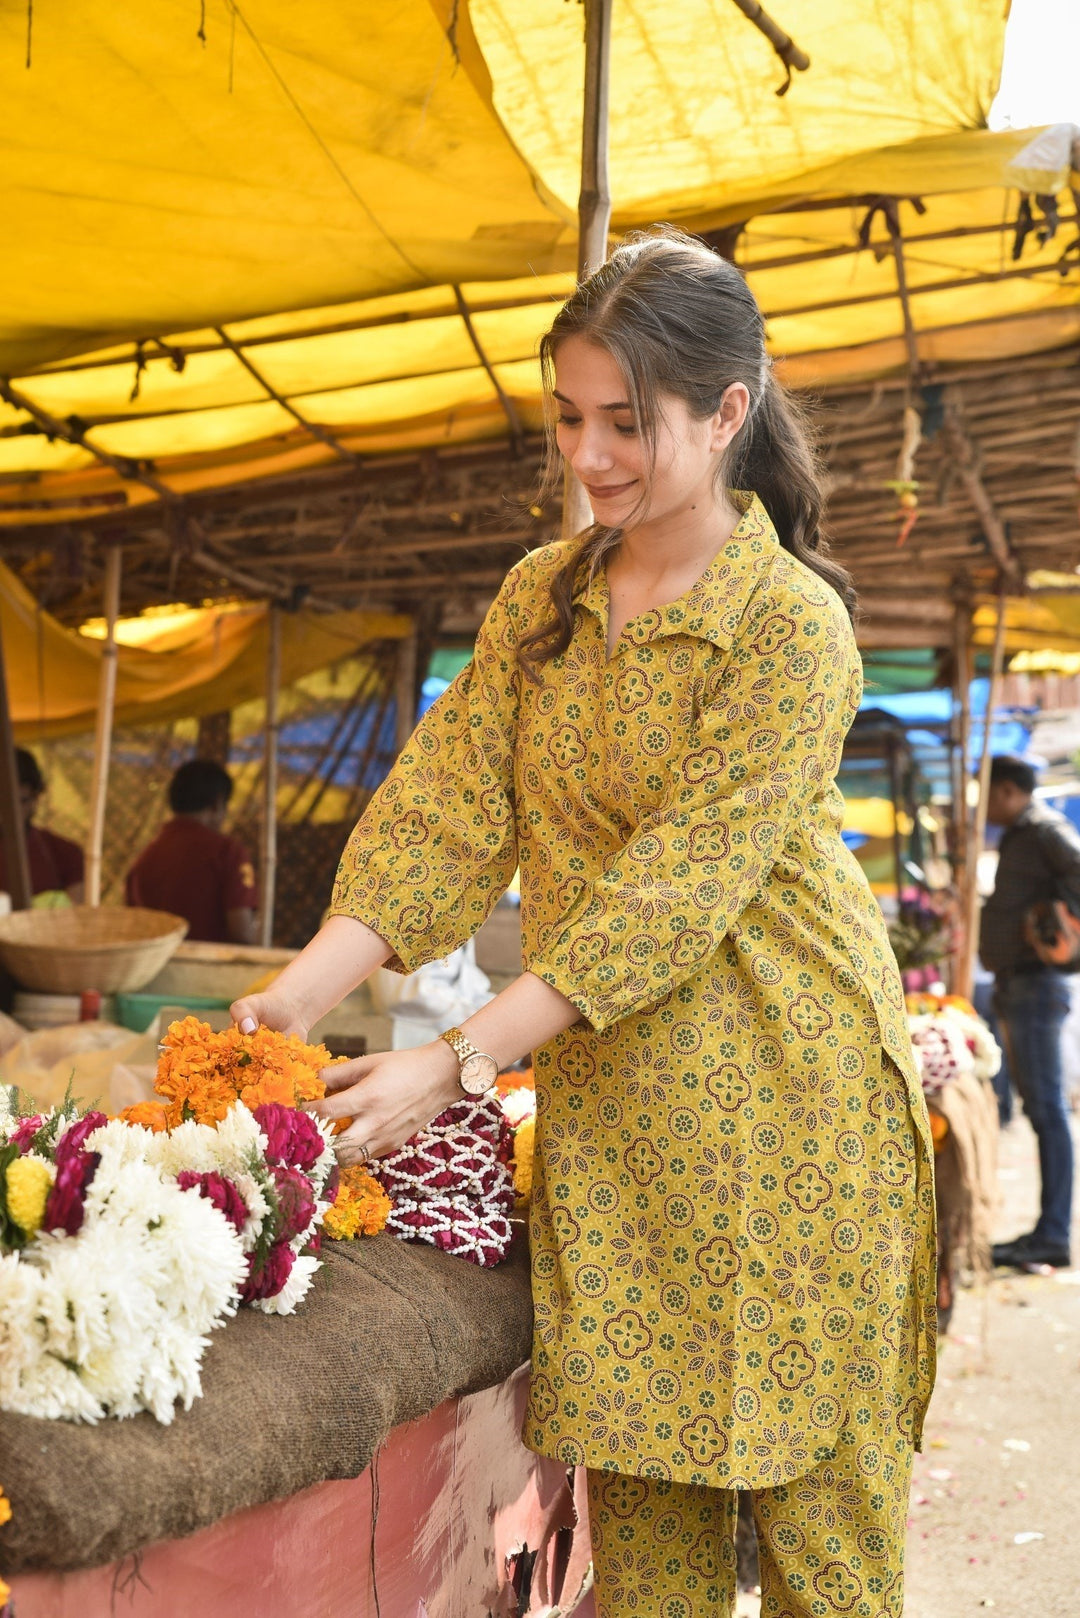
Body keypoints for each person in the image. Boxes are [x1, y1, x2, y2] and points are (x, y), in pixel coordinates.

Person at [231, 229, 936, 1618]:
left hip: (795, 1114)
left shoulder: (794, 629)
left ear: (727, 414)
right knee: (647, 1558)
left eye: (629, 422)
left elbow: (679, 880)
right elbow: (442, 806)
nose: (590, 456)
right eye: (569, 418)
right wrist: (297, 999)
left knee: (824, 1560)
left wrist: (460, 1056)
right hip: (624, 1129)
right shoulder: (542, 601)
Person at [981, 754, 1079, 1269]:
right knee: (1043, 1113)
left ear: (1007, 791)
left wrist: (1050, 922)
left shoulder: (1043, 828)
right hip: (1022, 985)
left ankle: (1052, 1236)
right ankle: (1049, 1232)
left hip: (1037, 985)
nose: (983, 803)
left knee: (1047, 1113)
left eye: (987, 791)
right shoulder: (1024, 831)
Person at [126, 759, 258, 945]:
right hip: (211, 969)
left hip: (153, 969)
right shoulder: (227, 852)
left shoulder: (145, 857)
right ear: (217, 804)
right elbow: (242, 932)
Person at [0, 748, 84, 904]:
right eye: (4, 801)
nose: (11, 811)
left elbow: (80, 919)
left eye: (22, 801)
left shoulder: (64, 853)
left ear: (36, 797)